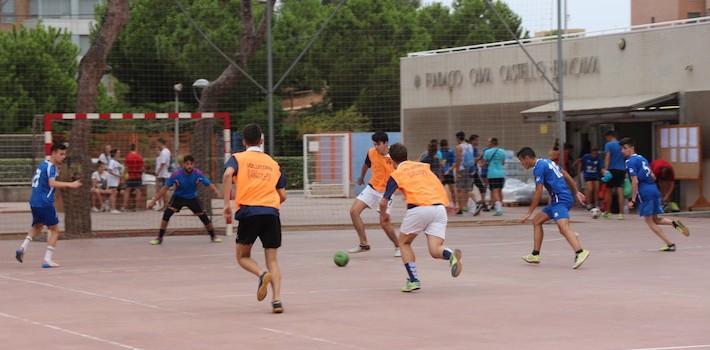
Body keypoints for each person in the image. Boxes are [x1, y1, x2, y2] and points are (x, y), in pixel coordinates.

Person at [379, 143, 463, 292]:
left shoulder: (396, 174)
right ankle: (451, 256)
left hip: (419, 208)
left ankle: (413, 280)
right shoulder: (423, 166)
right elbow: (437, 184)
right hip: (439, 208)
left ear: (392, 160)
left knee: (404, 243)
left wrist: (384, 215)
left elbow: (384, 200)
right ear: (406, 156)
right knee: (435, 249)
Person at [222, 124, 287, 313]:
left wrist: (227, 203)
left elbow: (227, 174)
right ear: (262, 140)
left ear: (244, 141)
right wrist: (270, 203)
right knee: (273, 260)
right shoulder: (273, 163)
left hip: (249, 212)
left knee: (242, 256)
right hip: (271, 213)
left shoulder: (238, 158)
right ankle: (277, 301)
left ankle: (261, 274)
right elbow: (283, 195)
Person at [517, 147, 591, 269]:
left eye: (521, 161)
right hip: (560, 199)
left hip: (560, 200)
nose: (522, 164)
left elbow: (538, 192)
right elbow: (565, 174)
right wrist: (576, 191)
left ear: (527, 158)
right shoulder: (548, 162)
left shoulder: (538, 168)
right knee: (537, 221)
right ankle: (535, 254)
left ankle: (580, 252)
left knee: (563, 228)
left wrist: (529, 212)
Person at [15, 143, 82, 268]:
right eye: (61, 154)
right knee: (55, 230)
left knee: (38, 226)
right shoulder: (51, 167)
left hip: (34, 201)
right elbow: (51, 183)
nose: (63, 157)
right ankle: (47, 260)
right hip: (45, 202)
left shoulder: (42, 164)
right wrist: (70, 184)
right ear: (54, 153)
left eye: (64, 154)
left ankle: (22, 247)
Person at [620, 138, 689, 251]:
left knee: (650, 222)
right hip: (654, 189)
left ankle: (670, 244)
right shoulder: (642, 158)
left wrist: (633, 199)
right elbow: (653, 176)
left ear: (632, 148)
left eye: (625, 148)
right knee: (656, 219)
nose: (623, 151)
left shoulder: (630, 162)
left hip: (645, 192)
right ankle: (674, 223)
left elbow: (635, 181)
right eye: (621, 149)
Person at [147, 155, 222, 245]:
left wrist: (217, 191)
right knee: (166, 215)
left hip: (192, 198)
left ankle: (213, 236)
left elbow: (209, 183)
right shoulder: (176, 175)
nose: (189, 166)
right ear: (183, 165)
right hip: (178, 197)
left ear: (193, 164)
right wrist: (153, 201)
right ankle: (159, 238)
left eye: (191, 164)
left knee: (204, 217)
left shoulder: (197, 173)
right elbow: (165, 188)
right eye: (187, 164)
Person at [348, 131, 400, 256]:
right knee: (354, 211)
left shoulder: (394, 156)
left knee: (384, 223)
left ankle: (398, 246)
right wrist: (361, 177)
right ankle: (364, 244)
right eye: (374, 144)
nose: (376, 147)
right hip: (371, 188)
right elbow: (366, 164)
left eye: (378, 144)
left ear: (386, 143)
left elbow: (402, 173)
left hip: (387, 193)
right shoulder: (371, 152)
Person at [602, 130, 627, 219]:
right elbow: (625, 156)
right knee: (620, 190)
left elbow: (607, 157)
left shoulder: (608, 145)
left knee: (609, 190)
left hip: (612, 169)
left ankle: (608, 212)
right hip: (621, 169)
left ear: (609, 136)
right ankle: (621, 213)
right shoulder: (621, 144)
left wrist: (605, 169)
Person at [483, 137, 506, 216]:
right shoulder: (502, 151)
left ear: (492, 143)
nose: (488, 144)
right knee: (500, 191)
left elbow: (485, 162)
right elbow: (503, 162)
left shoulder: (487, 152)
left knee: (495, 191)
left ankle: (499, 209)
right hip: (501, 173)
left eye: (489, 142)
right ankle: (501, 207)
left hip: (492, 174)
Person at [454, 131, 475, 215]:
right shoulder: (470, 146)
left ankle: (460, 208)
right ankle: (466, 206)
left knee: (459, 189)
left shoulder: (459, 147)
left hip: (462, 169)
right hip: (469, 169)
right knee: (466, 189)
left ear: (458, 138)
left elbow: (458, 159)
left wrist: (457, 171)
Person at [122, 144, 144, 211]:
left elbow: (125, 167)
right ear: (136, 148)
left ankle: (125, 207)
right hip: (138, 175)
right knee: (138, 191)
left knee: (127, 191)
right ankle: (137, 207)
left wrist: (123, 176)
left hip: (130, 175)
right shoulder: (139, 156)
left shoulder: (128, 156)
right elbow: (142, 168)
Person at [436, 139, 456, 210]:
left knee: (452, 190)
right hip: (442, 174)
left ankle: (454, 204)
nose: (444, 148)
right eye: (443, 147)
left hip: (449, 173)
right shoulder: (439, 152)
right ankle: (442, 204)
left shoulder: (451, 152)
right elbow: (439, 163)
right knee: (441, 190)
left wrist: (449, 170)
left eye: (445, 146)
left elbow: (454, 163)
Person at [469, 134, 486, 216]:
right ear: (472, 140)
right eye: (476, 140)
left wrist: (481, 162)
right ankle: (477, 204)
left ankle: (481, 203)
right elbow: (473, 161)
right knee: (468, 190)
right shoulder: (470, 149)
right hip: (469, 172)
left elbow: (477, 161)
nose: (477, 142)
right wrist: (480, 157)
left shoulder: (474, 149)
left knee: (481, 187)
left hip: (474, 171)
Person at [154, 138, 172, 211]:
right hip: (164, 174)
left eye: (158, 143)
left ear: (161, 143)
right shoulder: (166, 151)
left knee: (164, 190)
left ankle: (167, 205)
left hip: (163, 174)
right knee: (163, 190)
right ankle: (165, 205)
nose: (157, 145)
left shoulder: (164, 152)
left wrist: (158, 171)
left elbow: (163, 163)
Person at [106, 148, 124, 214]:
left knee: (114, 193)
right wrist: (118, 175)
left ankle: (110, 206)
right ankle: (112, 208)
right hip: (112, 180)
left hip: (116, 181)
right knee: (113, 193)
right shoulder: (112, 162)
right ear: (114, 154)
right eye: (118, 153)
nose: (119, 154)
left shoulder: (116, 162)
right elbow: (109, 170)